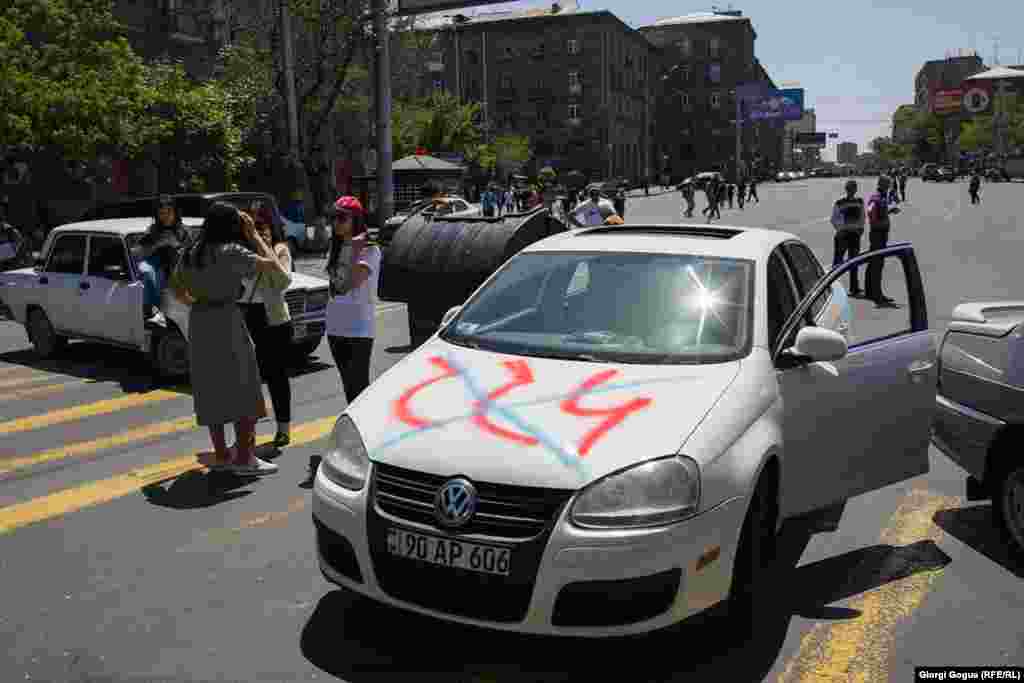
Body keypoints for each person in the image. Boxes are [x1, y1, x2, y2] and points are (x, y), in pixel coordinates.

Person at [170, 202, 287, 475]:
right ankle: (245, 458)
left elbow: (176, 288)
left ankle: (222, 455)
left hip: (200, 320)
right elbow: (272, 267)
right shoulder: (231, 251)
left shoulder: (190, 253)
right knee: (243, 385)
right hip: (226, 319)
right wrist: (254, 234)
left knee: (211, 385)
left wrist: (199, 301)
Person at [238, 205, 294, 448]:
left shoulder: (280, 250)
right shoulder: (241, 254)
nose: (260, 233)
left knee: (276, 377)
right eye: (254, 229)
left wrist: (259, 242)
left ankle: (283, 428)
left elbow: (282, 280)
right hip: (247, 316)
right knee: (247, 379)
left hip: (274, 319)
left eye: (264, 229)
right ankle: (247, 434)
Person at [325, 196, 382, 403]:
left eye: (341, 218)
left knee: (358, 386)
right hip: (335, 326)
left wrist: (355, 249)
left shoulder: (370, 249)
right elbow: (335, 286)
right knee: (348, 388)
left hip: (359, 328)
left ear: (356, 220)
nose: (335, 223)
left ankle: (367, 432)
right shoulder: (335, 246)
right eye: (333, 217)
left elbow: (351, 282)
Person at [865, 176, 901, 306]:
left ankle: (870, 291)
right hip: (877, 234)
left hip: (880, 233)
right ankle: (877, 294)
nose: (890, 186)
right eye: (888, 184)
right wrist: (878, 222)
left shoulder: (882, 197)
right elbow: (870, 212)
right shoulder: (877, 197)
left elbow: (880, 212)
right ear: (884, 185)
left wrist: (889, 211)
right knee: (877, 264)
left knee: (873, 262)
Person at [830, 179, 866, 297]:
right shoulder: (839, 202)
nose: (852, 190)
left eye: (854, 188)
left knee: (854, 261)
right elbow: (834, 219)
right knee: (838, 262)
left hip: (855, 235)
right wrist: (841, 229)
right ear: (846, 189)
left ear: (856, 189)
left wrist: (861, 228)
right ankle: (831, 286)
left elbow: (862, 216)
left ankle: (854, 288)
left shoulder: (859, 201)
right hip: (843, 235)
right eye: (850, 188)